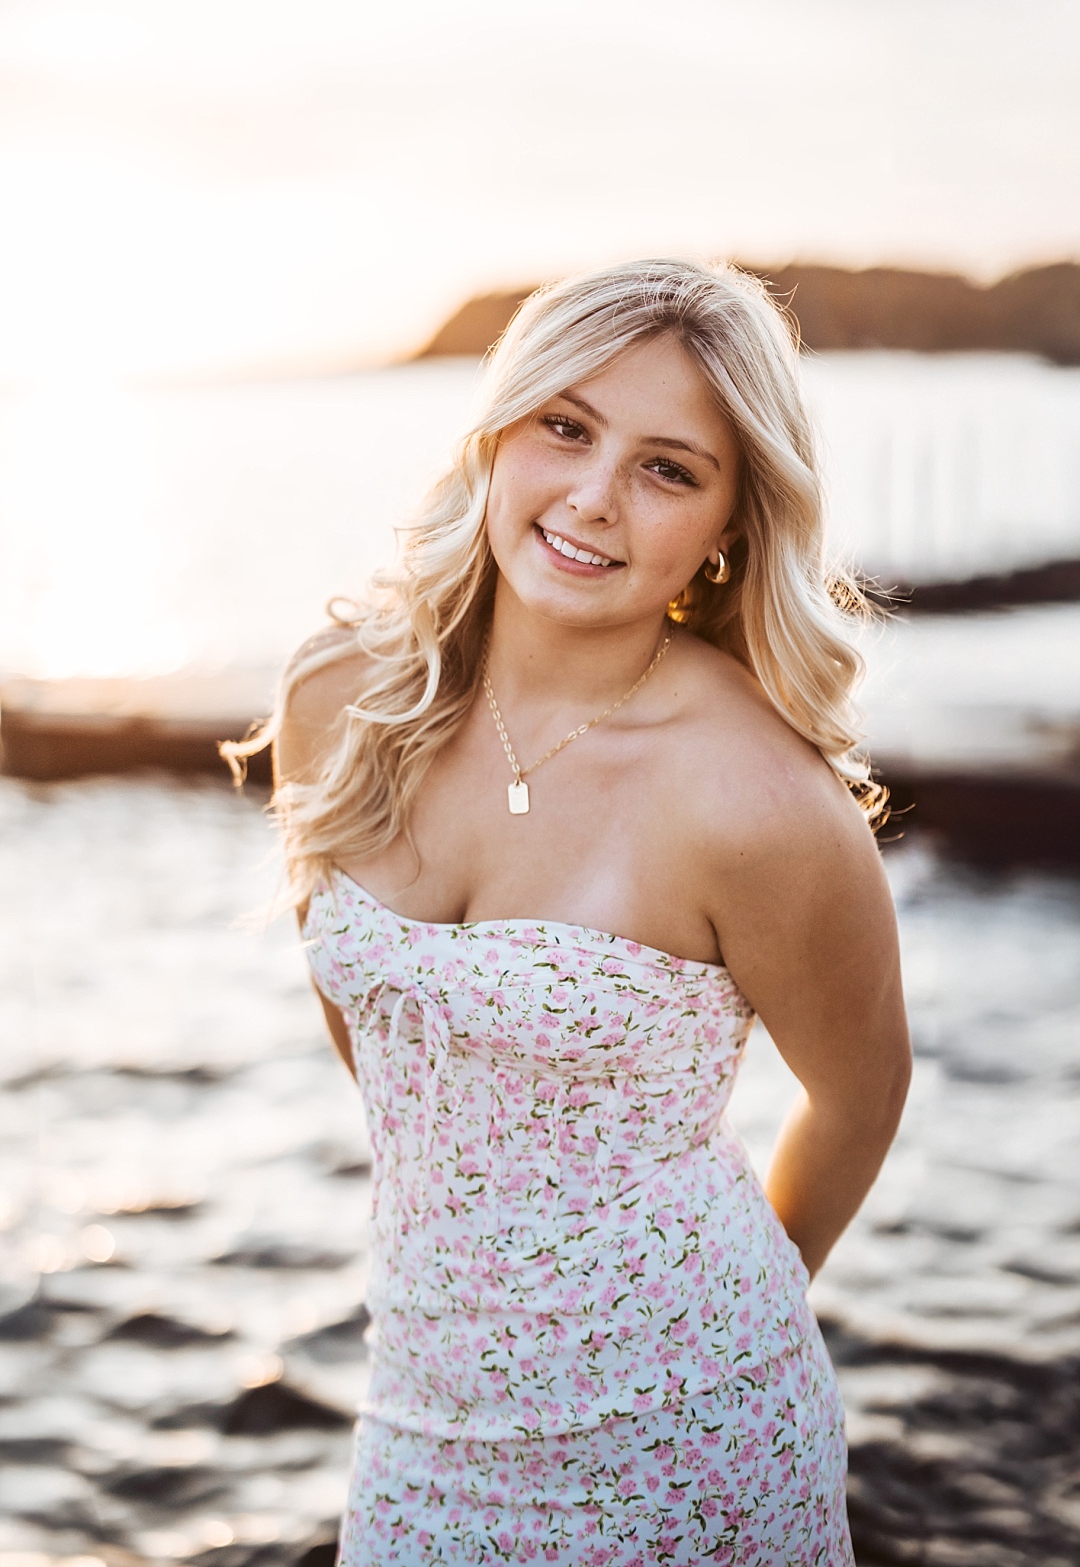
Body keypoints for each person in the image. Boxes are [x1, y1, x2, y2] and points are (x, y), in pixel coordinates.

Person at [225, 257, 911, 1565]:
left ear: (730, 523)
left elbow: (863, 1095)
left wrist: (697, 1323)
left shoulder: (758, 803)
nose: (593, 499)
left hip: (691, 1443)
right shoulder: (338, 703)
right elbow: (382, 1038)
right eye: (567, 427)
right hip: (420, 1427)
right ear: (498, 429)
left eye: (669, 467)